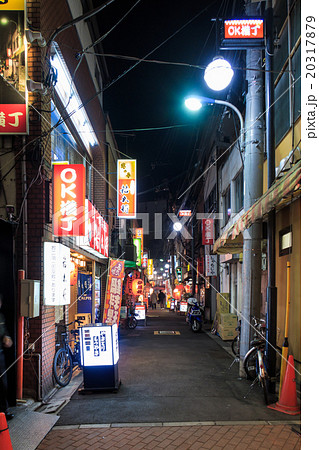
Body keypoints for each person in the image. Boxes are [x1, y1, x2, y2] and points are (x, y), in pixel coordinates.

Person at [0, 294, 13, 421]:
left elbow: (5, 333)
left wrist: (7, 338)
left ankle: (4, 410)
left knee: (3, 384)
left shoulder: (1, 316)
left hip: (0, 355)